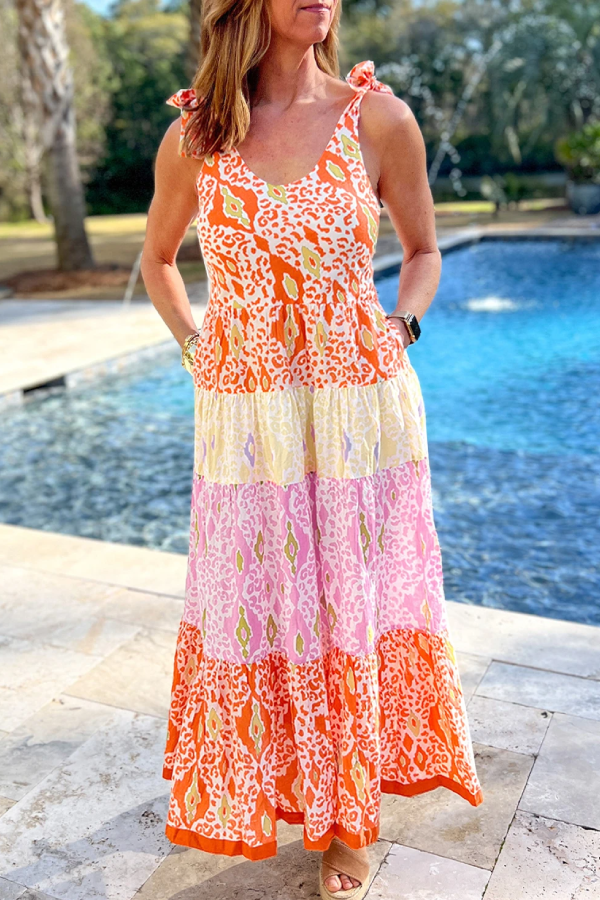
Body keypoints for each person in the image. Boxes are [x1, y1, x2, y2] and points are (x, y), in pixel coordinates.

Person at [141, 1, 483, 897]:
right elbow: (158, 259)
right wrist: (198, 349)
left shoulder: (380, 118)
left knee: (347, 608)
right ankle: (280, 781)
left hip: (357, 410)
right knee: (260, 604)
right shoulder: (196, 137)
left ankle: (346, 823)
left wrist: (401, 328)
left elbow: (422, 250)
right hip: (247, 417)